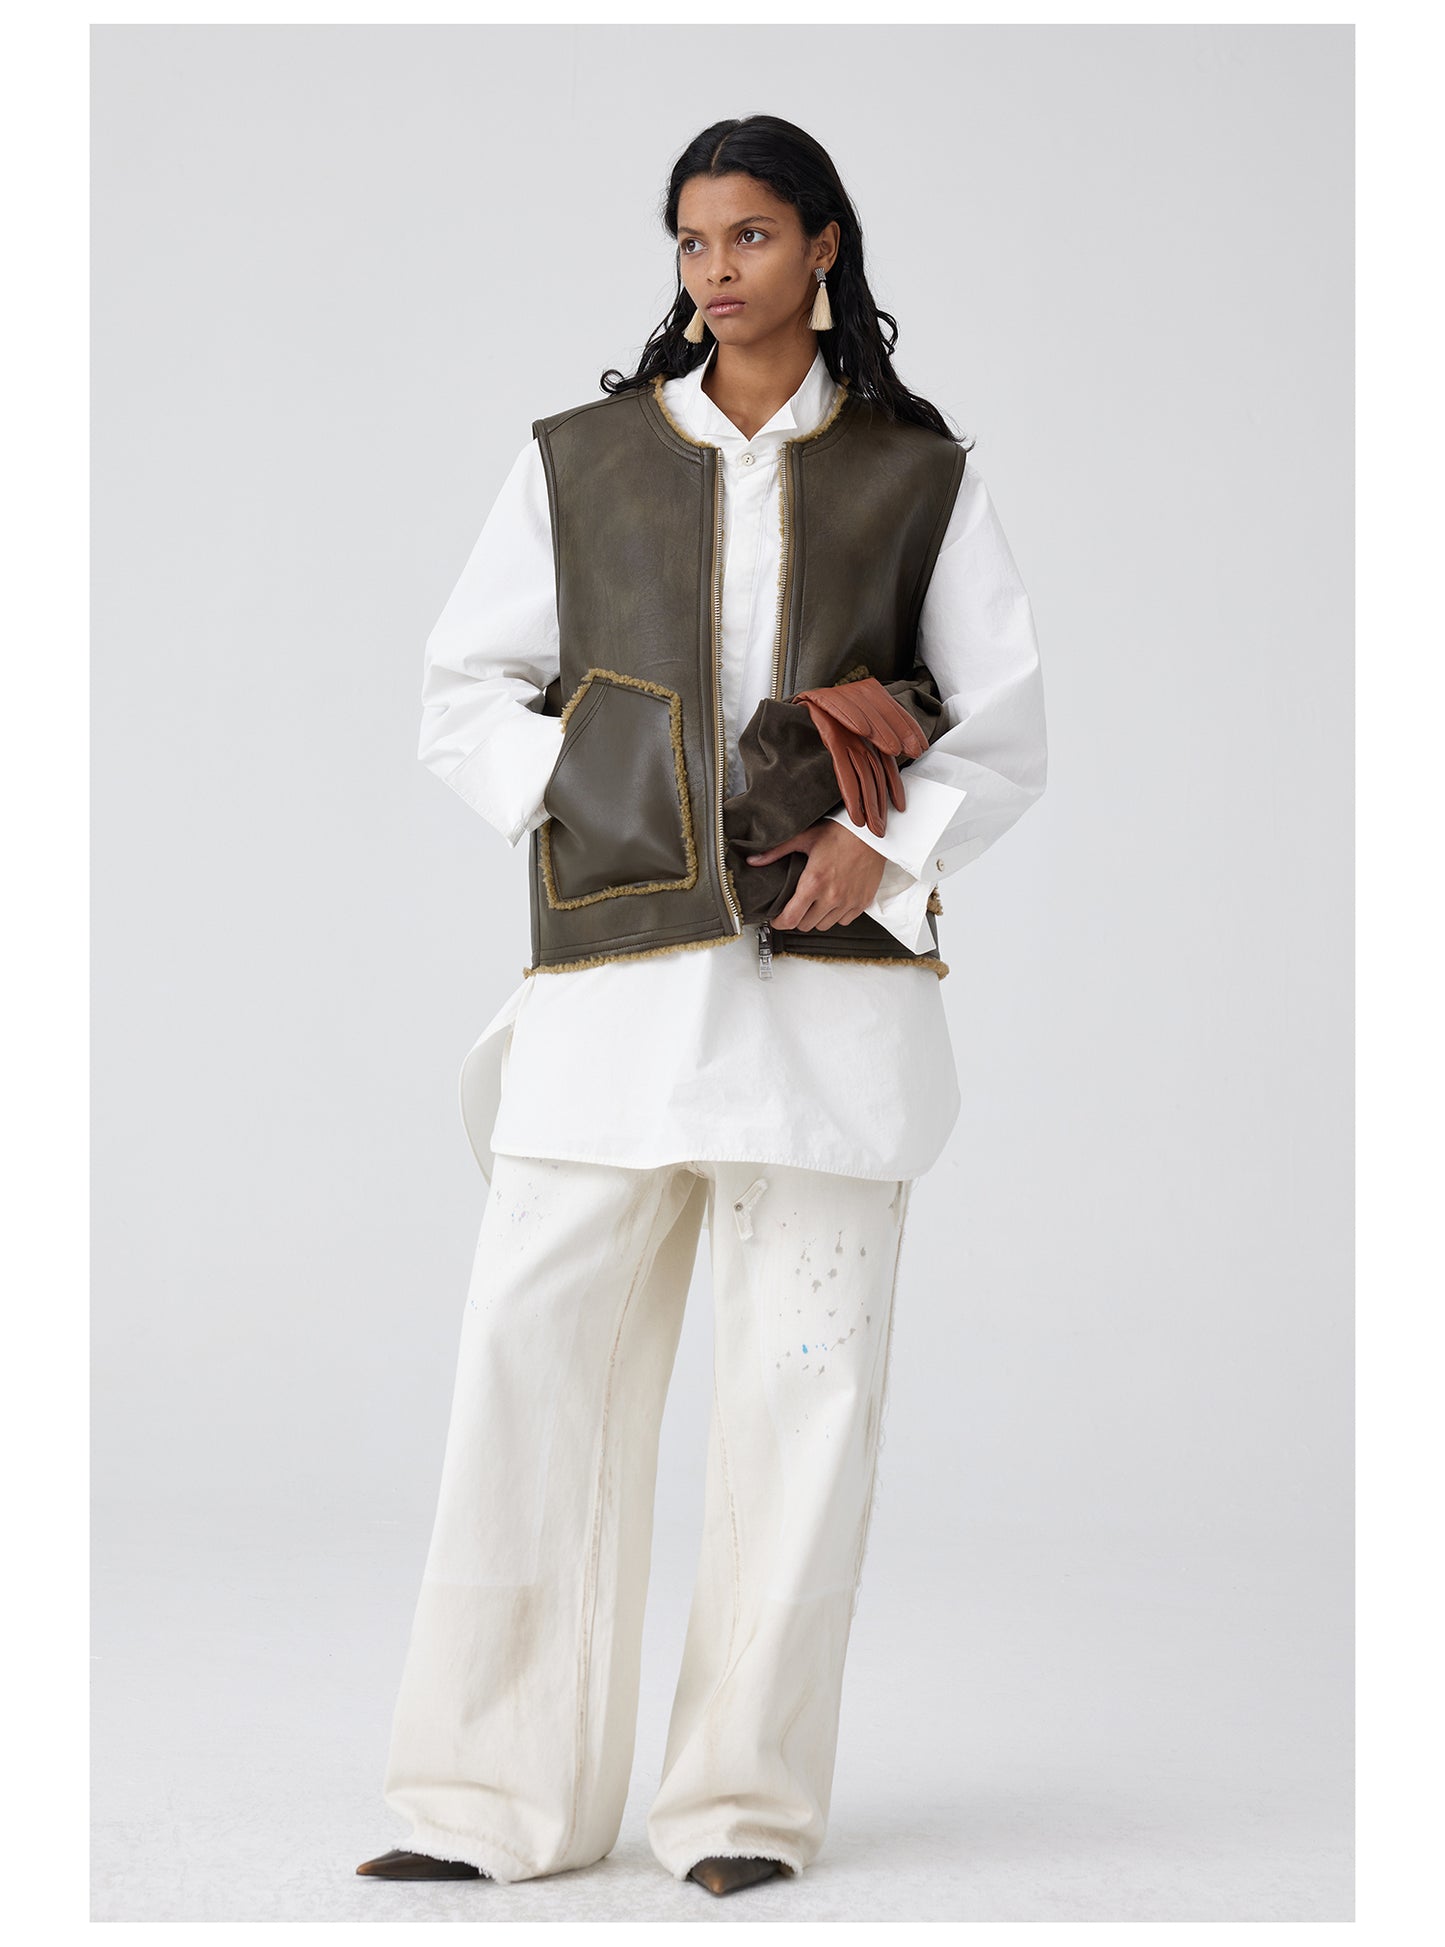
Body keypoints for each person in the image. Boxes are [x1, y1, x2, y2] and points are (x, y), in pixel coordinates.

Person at [357, 113, 1048, 1899]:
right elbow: (463, 696)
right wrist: (615, 803)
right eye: (689, 239)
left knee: (800, 1408)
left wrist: (876, 854)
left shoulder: (918, 476)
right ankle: (486, 1800)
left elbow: (1001, 728)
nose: (715, 267)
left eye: (748, 233)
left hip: (827, 1023)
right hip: (610, 1004)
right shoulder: (579, 460)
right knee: (532, 1375)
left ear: (822, 246)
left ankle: (742, 1806)